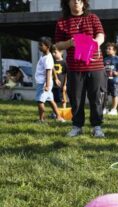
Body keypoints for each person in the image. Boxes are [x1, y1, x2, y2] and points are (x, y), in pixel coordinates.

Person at [55, 0, 106, 137]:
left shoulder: (93, 18)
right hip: (74, 67)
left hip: (95, 66)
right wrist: (70, 43)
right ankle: (77, 126)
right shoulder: (62, 22)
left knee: (96, 97)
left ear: (84, 3)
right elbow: (57, 46)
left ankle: (97, 126)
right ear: (68, 3)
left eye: (79, 0)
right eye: (73, 0)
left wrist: (97, 42)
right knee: (76, 98)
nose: (76, 2)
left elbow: (101, 34)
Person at [34, 37, 65, 123]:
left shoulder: (47, 58)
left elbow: (48, 72)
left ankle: (41, 119)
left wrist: (47, 85)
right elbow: (52, 68)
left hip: (43, 83)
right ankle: (58, 117)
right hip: (45, 82)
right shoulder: (45, 56)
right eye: (39, 45)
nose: (39, 47)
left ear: (47, 46)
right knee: (51, 100)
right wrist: (55, 78)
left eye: (41, 45)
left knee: (40, 101)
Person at [51, 45, 68, 109]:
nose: (53, 54)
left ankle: (63, 111)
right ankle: (55, 112)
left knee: (63, 99)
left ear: (61, 52)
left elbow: (66, 74)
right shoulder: (51, 62)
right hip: (53, 84)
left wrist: (65, 85)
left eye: (55, 52)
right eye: (52, 52)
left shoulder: (64, 63)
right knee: (54, 99)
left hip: (62, 85)